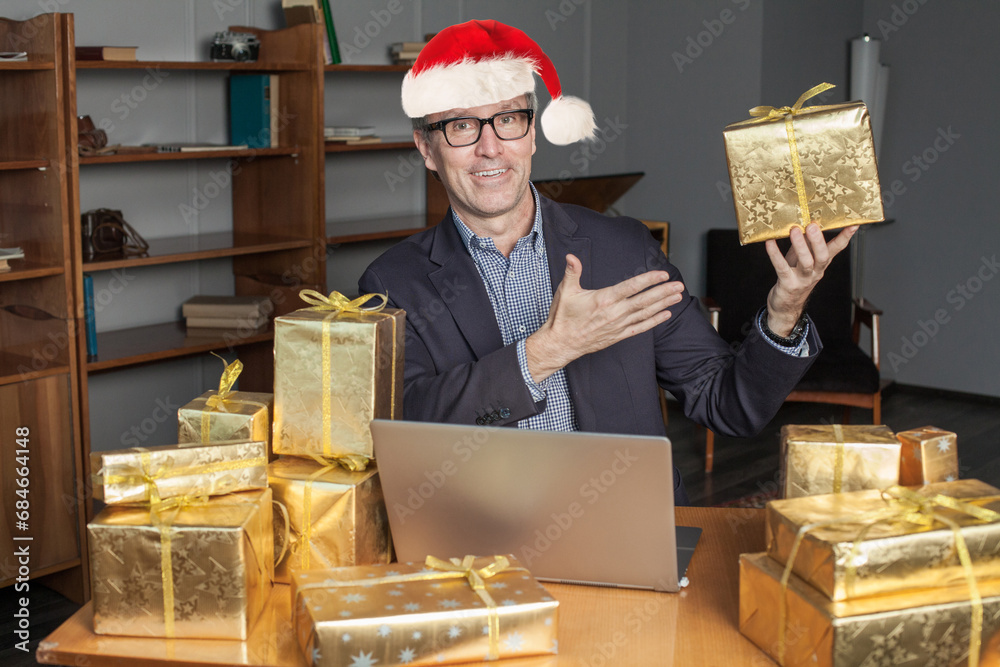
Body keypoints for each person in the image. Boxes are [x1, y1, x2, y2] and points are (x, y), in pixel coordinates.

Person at [359, 19, 856, 504]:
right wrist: (544, 353)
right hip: (485, 539)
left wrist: (784, 312)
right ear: (426, 147)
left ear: (532, 133)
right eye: (461, 126)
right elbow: (405, 431)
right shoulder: (393, 282)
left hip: (628, 527)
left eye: (508, 120)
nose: (491, 148)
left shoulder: (624, 249)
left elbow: (729, 405)